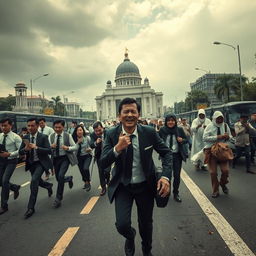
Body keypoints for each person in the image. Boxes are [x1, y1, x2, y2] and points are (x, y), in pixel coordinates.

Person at [101, 98, 172, 256]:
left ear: (139, 114)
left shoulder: (149, 132)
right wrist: (117, 149)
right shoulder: (111, 134)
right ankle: (130, 236)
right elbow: (102, 161)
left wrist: (166, 177)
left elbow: (166, 153)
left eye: (133, 111)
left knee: (146, 225)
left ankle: (147, 251)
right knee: (122, 225)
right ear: (119, 115)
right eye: (126, 111)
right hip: (123, 186)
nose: (130, 115)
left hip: (145, 185)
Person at [19, 118, 53, 218]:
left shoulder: (43, 137)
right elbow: (20, 152)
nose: (30, 127)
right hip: (31, 163)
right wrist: (25, 149)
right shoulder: (25, 137)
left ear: (37, 126)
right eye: (28, 126)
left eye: (32, 125)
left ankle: (30, 208)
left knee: (34, 181)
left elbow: (49, 150)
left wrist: (36, 147)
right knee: (38, 181)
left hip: (41, 163)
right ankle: (48, 186)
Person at [159, 114, 188, 203]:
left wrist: (182, 140)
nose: (170, 122)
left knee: (176, 176)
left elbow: (186, 139)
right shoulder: (162, 130)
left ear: (175, 121)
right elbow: (157, 140)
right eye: (168, 120)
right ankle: (166, 192)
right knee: (167, 176)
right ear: (166, 122)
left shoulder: (179, 129)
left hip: (177, 155)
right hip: (166, 156)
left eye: (172, 120)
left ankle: (176, 193)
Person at [203, 111, 232, 198]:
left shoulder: (226, 126)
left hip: (222, 151)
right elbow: (204, 138)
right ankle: (215, 190)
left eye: (221, 118)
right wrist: (217, 137)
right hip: (211, 152)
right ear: (214, 119)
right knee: (213, 172)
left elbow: (230, 137)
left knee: (225, 170)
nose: (220, 120)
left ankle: (223, 184)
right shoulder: (209, 126)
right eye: (218, 118)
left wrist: (228, 137)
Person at [49, 120, 77, 208]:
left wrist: (67, 148)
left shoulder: (67, 136)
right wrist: (51, 147)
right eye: (55, 127)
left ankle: (58, 198)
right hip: (55, 159)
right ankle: (68, 178)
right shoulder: (51, 136)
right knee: (58, 178)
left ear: (63, 127)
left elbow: (75, 147)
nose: (57, 129)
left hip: (65, 158)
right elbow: (47, 148)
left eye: (59, 127)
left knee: (60, 176)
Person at [0, 118, 22, 215]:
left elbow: (21, 150)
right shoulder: (0, 136)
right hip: (1, 161)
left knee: (5, 181)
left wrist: (9, 154)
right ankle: (14, 187)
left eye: (5, 125)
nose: (3, 127)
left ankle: (4, 206)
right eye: (2, 126)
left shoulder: (16, 137)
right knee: (1, 181)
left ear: (10, 126)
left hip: (11, 161)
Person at [90, 121, 111, 196]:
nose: (98, 132)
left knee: (107, 171)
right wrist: (96, 142)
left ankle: (108, 179)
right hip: (99, 155)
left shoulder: (108, 132)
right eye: (96, 131)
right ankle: (103, 187)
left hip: (108, 155)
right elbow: (91, 145)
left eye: (99, 130)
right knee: (101, 171)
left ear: (102, 128)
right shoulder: (93, 135)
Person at [72, 125, 92, 191]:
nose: (79, 131)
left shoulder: (87, 138)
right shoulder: (73, 139)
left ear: (83, 131)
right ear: (76, 132)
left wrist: (90, 149)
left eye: (81, 130)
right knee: (81, 171)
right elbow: (73, 149)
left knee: (85, 168)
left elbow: (92, 146)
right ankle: (85, 182)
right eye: (78, 130)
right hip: (78, 157)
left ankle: (88, 182)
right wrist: (78, 143)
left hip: (87, 156)